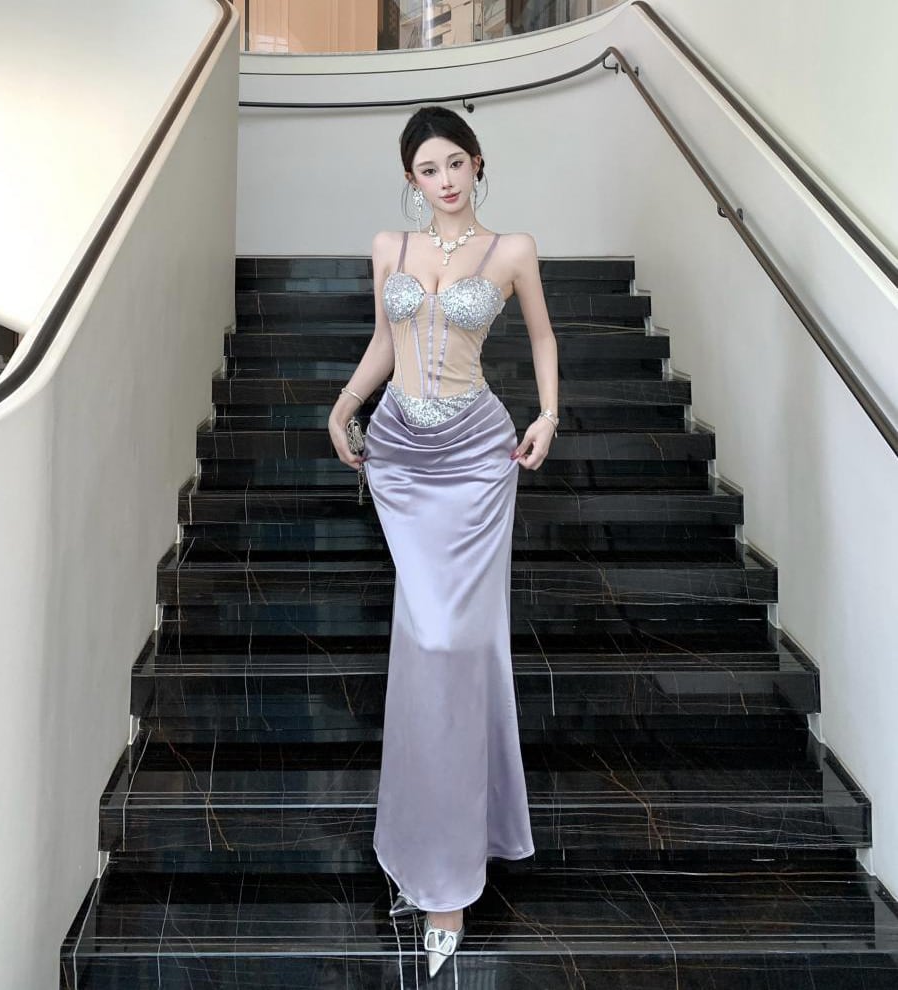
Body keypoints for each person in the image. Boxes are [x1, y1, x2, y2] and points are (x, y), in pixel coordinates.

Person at [327, 104, 559, 980]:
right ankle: (424, 854)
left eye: (456, 162)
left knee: (458, 644)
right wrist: (344, 407)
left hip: (474, 459)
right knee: (425, 642)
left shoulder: (512, 250)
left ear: (477, 162)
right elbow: (385, 342)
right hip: (400, 456)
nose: (446, 179)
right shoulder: (389, 246)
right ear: (412, 179)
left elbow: (541, 336)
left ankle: (454, 869)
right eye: (429, 168)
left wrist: (548, 415)